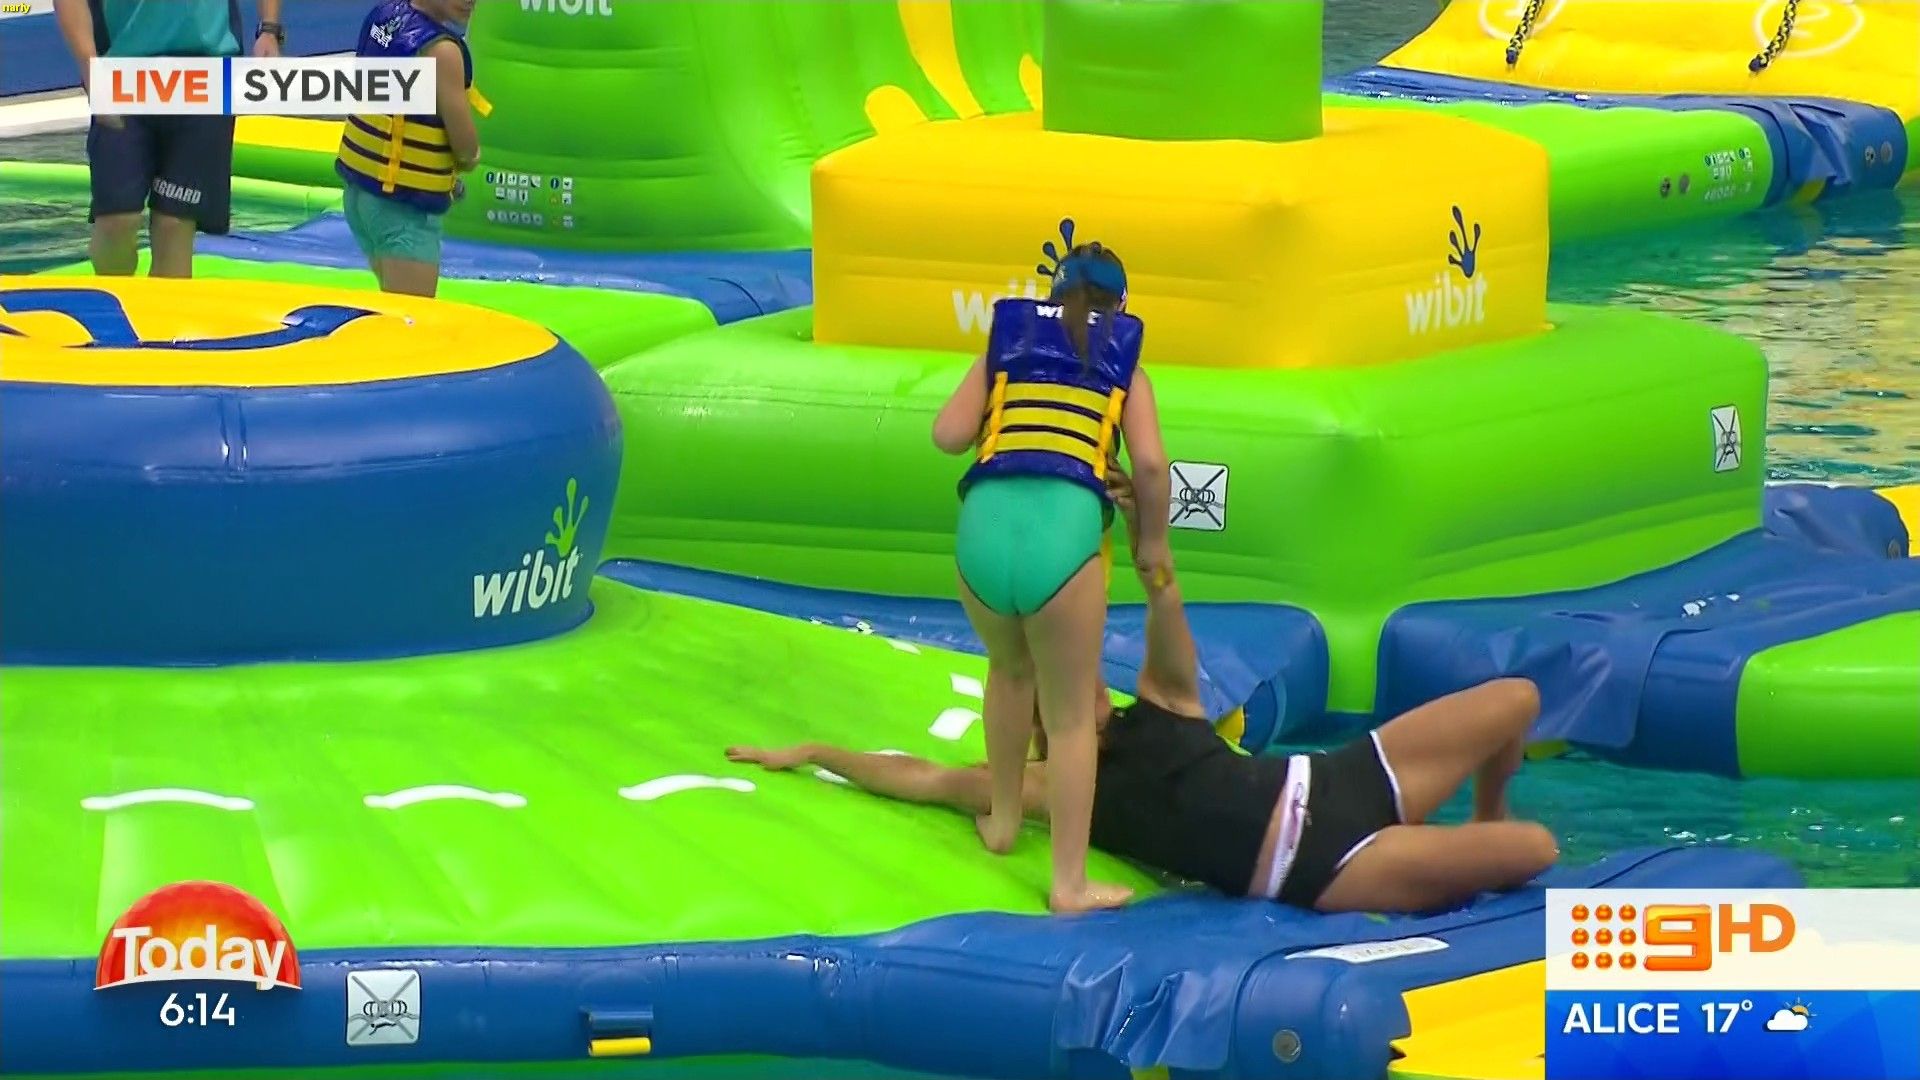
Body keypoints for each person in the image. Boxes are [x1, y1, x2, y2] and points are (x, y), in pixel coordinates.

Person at [727, 462, 1562, 914]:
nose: (1083, 677)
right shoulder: (1054, 788)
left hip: (1337, 777)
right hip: (1316, 864)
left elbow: (1163, 592)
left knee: (1517, 701)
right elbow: (925, 777)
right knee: (1536, 852)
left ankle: (1481, 814)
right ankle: (1472, 838)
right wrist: (815, 752)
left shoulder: (1163, 698)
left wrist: (1144, 531)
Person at [929, 242, 1173, 914]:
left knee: (1009, 673)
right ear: (1122, 307)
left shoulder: (1004, 350)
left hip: (981, 538)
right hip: (1062, 546)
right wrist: (1151, 540)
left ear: (1050, 295)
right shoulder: (1128, 369)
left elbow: (947, 435)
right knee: (1067, 721)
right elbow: (1152, 466)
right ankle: (1069, 883)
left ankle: (1003, 823)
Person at [56, 0, 283, 279]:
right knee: (116, 222)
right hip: (124, 71)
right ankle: (116, 299)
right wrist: (90, 71)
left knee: (175, 225)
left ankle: (161, 305)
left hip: (206, 71)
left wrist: (269, 29)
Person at [333, 0, 485, 297]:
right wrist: (470, 159)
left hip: (361, 195)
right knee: (412, 318)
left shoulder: (382, 18)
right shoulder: (442, 52)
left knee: (394, 305)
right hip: (403, 207)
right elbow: (465, 147)